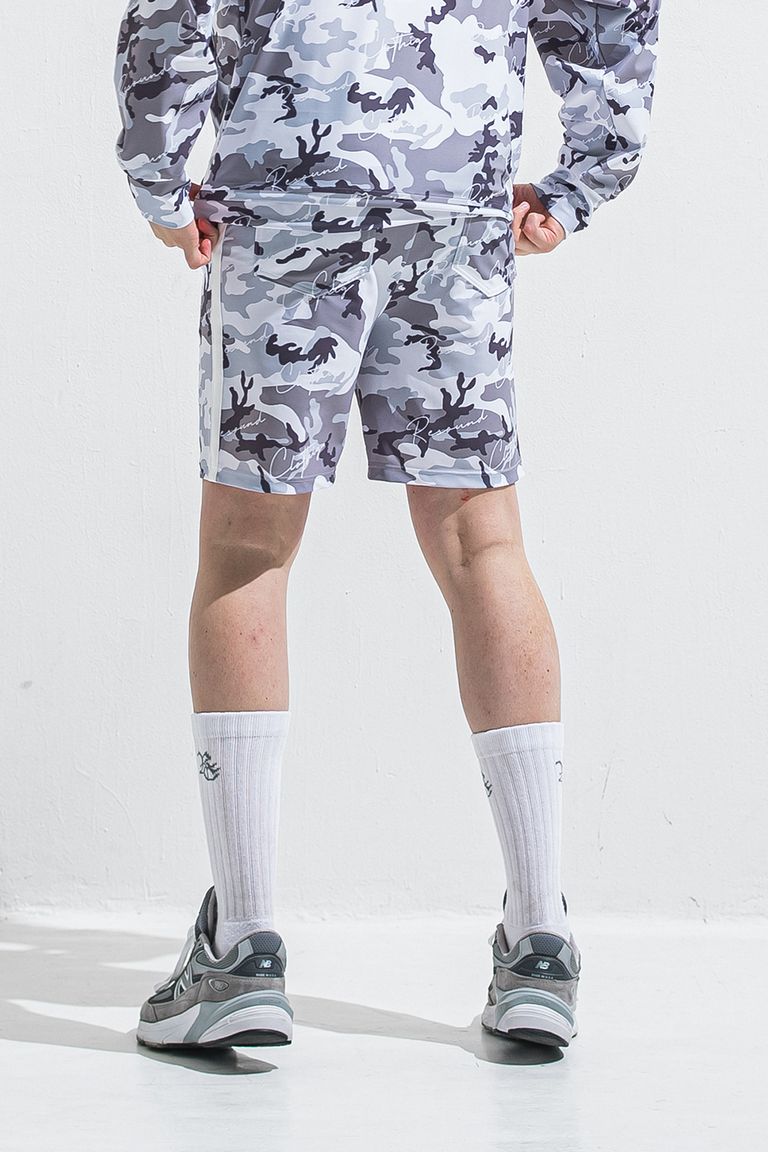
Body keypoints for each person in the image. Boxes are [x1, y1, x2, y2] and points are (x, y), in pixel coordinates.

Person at [114, 0, 660, 1051]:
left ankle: (243, 948)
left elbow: (174, 11)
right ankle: (541, 937)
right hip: (457, 195)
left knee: (246, 547)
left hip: (289, 187)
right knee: (482, 542)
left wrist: (158, 173)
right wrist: (586, 175)